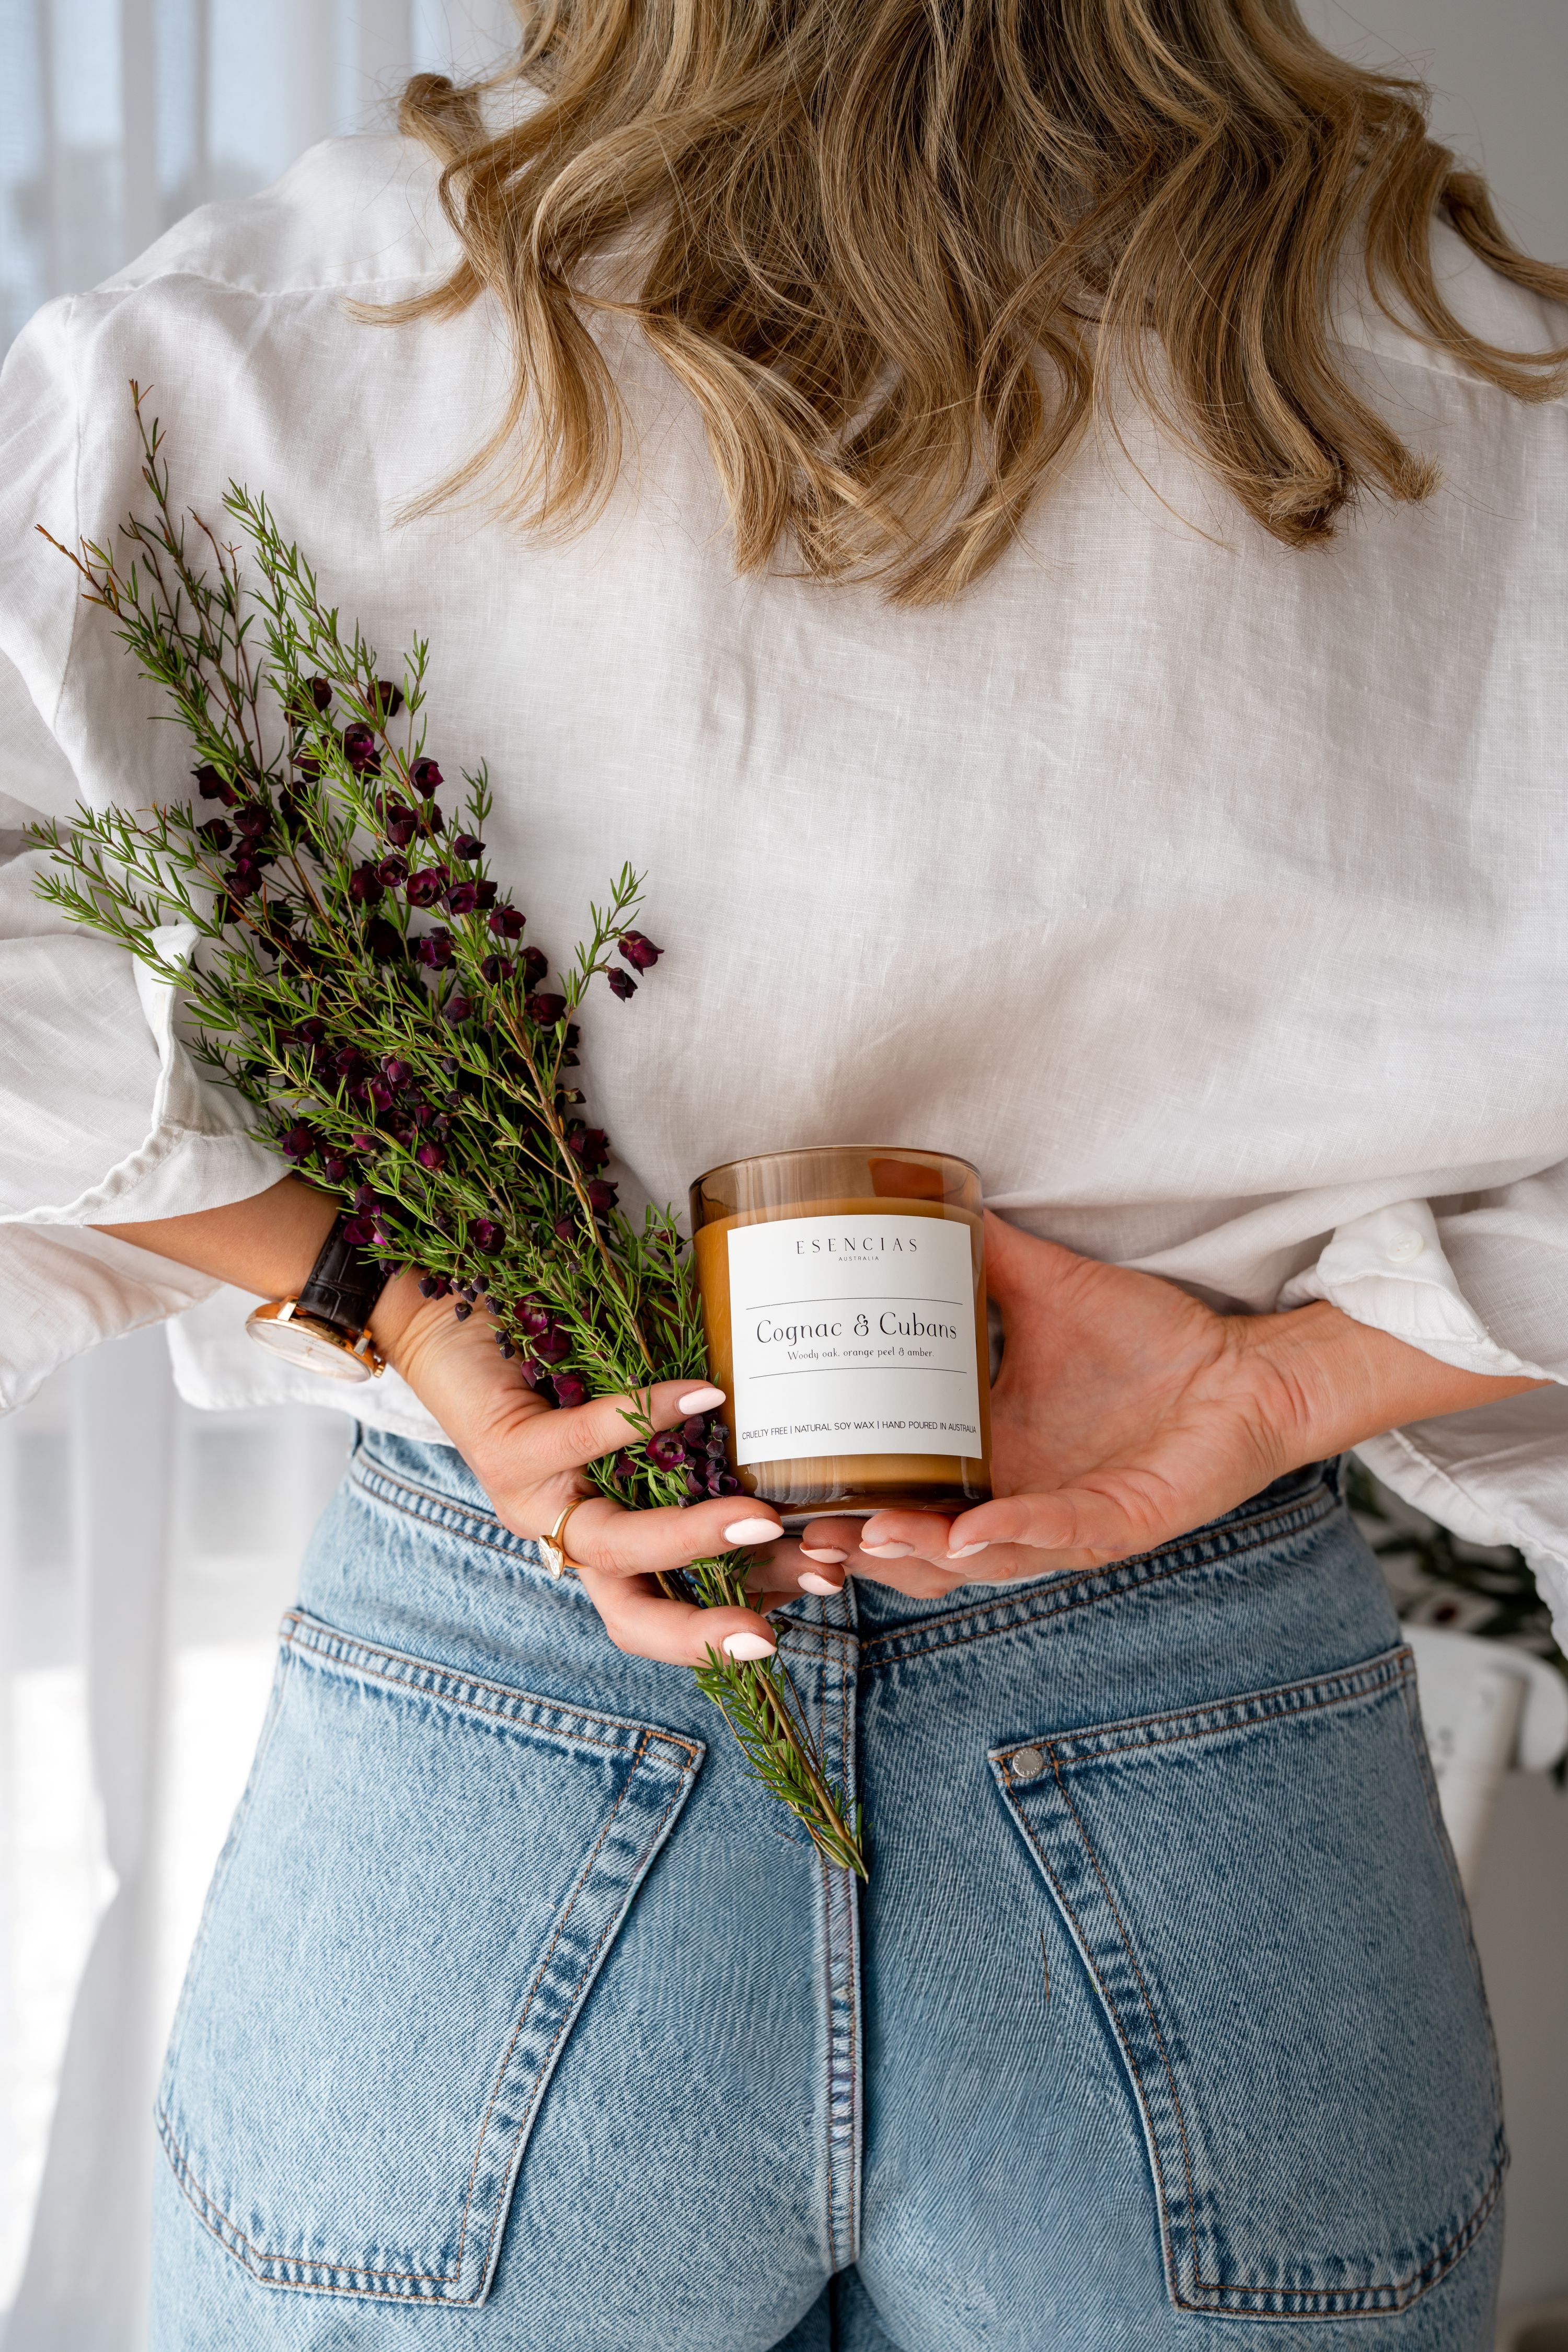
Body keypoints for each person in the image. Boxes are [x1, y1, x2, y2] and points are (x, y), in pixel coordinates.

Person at [2, 2, 1566, 2344]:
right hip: (1204, 1740)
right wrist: (1264, 1391)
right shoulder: (1465, 373)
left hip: (509, 1711)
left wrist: (412, 1315)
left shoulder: (282, 336)